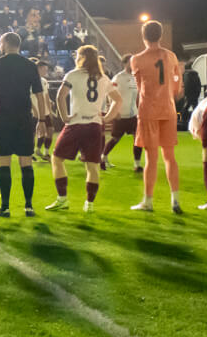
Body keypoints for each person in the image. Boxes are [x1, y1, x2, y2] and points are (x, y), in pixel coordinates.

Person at [0, 32, 50, 217]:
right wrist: (42, 120)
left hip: (3, 118)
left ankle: (4, 207)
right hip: (24, 118)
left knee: (3, 162)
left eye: (0, 43)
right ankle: (28, 206)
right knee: (25, 162)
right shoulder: (29, 65)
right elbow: (39, 94)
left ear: (4, 44)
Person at [47, 46, 121, 212]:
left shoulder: (73, 75)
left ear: (81, 57)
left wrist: (64, 117)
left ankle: (62, 198)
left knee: (57, 159)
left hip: (76, 124)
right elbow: (118, 100)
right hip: (95, 126)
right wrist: (107, 117)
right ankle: (90, 204)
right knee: (92, 166)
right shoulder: (103, 78)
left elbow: (60, 95)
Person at [129, 20, 184, 213]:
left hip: (148, 111)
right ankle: (175, 200)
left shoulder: (137, 59)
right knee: (170, 157)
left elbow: (139, 87)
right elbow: (177, 86)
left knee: (151, 159)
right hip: (168, 110)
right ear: (160, 35)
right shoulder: (171, 56)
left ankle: (148, 201)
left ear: (143, 36)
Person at [103, 54, 143, 173]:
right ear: (124, 63)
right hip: (120, 114)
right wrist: (114, 111)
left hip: (134, 115)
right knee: (115, 138)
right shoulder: (118, 77)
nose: (132, 65)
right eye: (129, 62)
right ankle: (103, 157)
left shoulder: (137, 77)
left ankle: (137, 164)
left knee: (138, 139)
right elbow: (109, 94)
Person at [33, 61, 54, 161]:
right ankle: (32, 152)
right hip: (35, 112)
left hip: (44, 111)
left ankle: (45, 152)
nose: (46, 71)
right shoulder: (31, 80)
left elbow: (46, 96)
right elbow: (28, 97)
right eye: (44, 69)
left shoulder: (44, 81)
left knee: (50, 131)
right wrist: (34, 111)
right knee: (37, 132)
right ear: (38, 68)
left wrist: (49, 109)